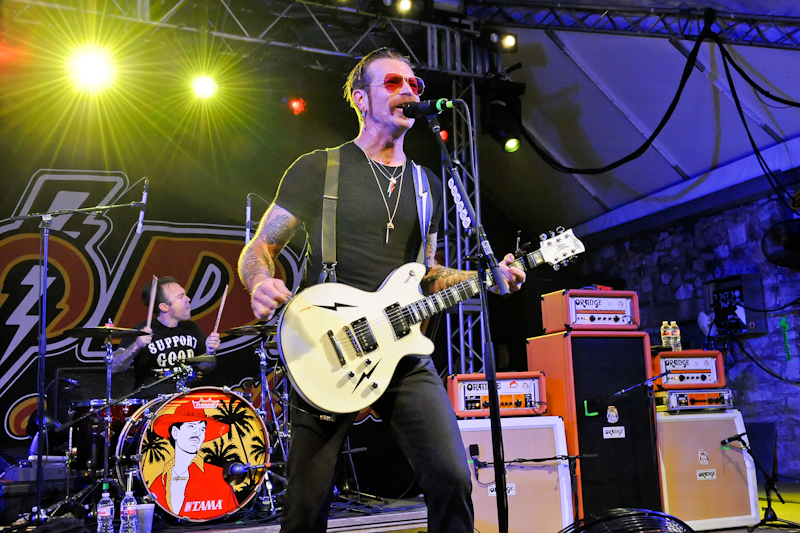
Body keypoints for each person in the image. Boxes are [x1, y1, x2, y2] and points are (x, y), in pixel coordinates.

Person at [237, 47, 526, 532]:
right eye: (393, 83)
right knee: (307, 507)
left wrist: (484, 277)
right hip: (329, 352)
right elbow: (259, 247)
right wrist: (261, 281)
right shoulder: (319, 168)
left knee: (453, 478)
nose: (409, 91)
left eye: (414, 85)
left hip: (404, 353)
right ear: (360, 99)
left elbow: (427, 271)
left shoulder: (426, 183)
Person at [112, 276, 220, 395]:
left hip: (184, 400)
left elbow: (205, 368)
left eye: (185, 294)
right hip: (151, 404)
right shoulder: (141, 331)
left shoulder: (192, 328)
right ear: (164, 307)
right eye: (181, 296)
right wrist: (136, 345)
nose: (188, 299)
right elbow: (113, 367)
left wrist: (210, 352)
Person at [148, 401, 238, 519]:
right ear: (175, 432)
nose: (197, 432)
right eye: (191, 426)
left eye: (202, 428)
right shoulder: (159, 482)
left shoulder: (218, 476)